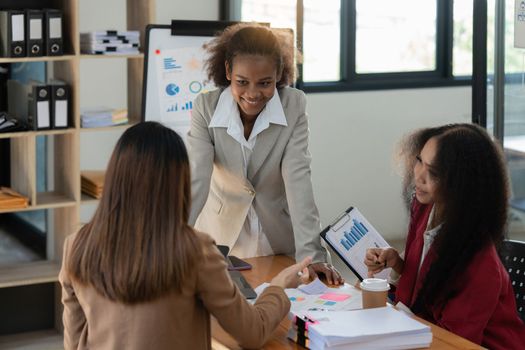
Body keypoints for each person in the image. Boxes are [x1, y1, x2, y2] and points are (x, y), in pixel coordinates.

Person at [59, 121, 312, 350]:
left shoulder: (77, 245)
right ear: (177, 183)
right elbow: (251, 334)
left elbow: (74, 338)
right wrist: (278, 287)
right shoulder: (195, 250)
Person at [187, 23, 342, 284]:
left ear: (279, 74)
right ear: (227, 71)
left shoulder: (293, 105)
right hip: (221, 242)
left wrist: (312, 255)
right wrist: (169, 244)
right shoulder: (206, 107)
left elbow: (298, 180)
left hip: (277, 241)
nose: (252, 93)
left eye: (265, 83)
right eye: (242, 82)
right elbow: (197, 180)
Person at [364, 123, 525, 349]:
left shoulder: (480, 263)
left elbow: (454, 343)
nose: (419, 176)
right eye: (419, 160)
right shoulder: (425, 208)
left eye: (434, 172)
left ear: (464, 183)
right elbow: (423, 289)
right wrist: (399, 264)